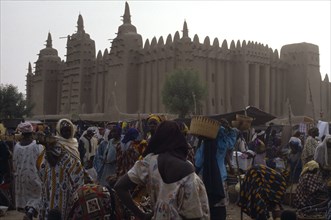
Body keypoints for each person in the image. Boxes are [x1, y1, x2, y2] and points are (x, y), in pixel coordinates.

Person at [114, 120, 210, 220]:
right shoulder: (187, 169)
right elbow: (195, 213)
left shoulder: (148, 162)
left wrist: (142, 215)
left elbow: (120, 186)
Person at [37, 118, 86, 220]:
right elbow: (52, 162)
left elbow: (77, 163)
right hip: (55, 183)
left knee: (68, 207)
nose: (67, 132)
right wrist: (47, 146)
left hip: (69, 183)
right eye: (64, 130)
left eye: (69, 130)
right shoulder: (54, 143)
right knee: (54, 208)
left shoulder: (74, 142)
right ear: (59, 131)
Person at [195, 118, 237, 220]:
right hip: (220, 179)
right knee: (220, 207)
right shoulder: (223, 144)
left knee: (206, 205)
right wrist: (229, 128)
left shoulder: (205, 145)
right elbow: (233, 137)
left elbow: (198, 162)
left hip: (205, 178)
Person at [12, 122, 43, 219]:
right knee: (38, 196)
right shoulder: (37, 146)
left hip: (21, 177)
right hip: (33, 176)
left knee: (26, 198)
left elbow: (14, 163)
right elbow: (42, 164)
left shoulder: (17, 146)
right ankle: (30, 213)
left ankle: (28, 213)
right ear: (32, 133)